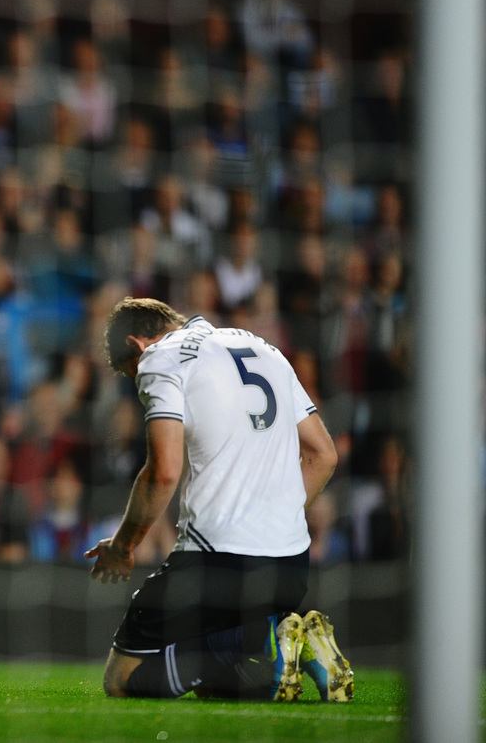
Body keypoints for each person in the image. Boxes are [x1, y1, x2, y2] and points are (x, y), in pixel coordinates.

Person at [86, 297, 353, 702]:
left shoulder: (160, 357)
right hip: (291, 568)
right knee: (211, 686)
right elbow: (323, 455)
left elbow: (164, 472)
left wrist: (123, 546)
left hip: (214, 563)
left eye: (130, 373)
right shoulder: (265, 349)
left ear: (137, 345)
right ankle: (295, 649)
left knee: (123, 679)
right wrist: (272, 519)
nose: (137, 380)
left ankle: (263, 639)